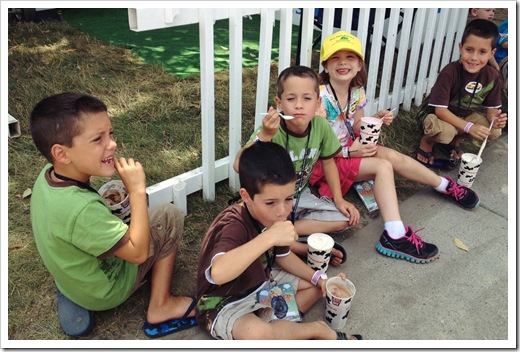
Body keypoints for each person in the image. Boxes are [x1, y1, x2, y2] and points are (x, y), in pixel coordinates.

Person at [29, 92, 197, 338]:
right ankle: (161, 305)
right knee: (168, 215)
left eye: (110, 133)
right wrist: (137, 191)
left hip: (71, 278)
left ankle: (72, 288)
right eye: (98, 139)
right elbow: (138, 254)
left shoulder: (48, 174)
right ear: (62, 153)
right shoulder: (83, 210)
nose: (112, 144)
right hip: (106, 290)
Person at [311, 30, 472, 264]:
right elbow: (317, 146)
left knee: (392, 156)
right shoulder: (319, 98)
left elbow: (355, 124)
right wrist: (350, 151)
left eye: (350, 57)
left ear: (359, 66)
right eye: (335, 58)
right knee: (383, 166)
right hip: (327, 161)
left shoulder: (356, 92)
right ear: (325, 66)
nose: (343, 62)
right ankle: (394, 235)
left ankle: (445, 185)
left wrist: (375, 119)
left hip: (350, 149)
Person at [196, 140, 362, 340]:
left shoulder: (274, 214)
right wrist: (269, 237)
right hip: (224, 301)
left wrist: (318, 278)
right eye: (270, 202)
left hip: (261, 280)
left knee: (319, 287)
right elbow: (219, 273)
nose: (282, 211)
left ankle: (279, 328)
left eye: (289, 199)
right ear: (246, 196)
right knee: (258, 334)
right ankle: (317, 330)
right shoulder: (232, 223)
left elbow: (283, 256)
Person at [233, 65, 361, 266]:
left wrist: (338, 199)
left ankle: (286, 231)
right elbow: (239, 165)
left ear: (318, 103)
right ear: (279, 103)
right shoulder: (270, 130)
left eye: (307, 99)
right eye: (291, 99)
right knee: (244, 222)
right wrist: (264, 136)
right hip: (272, 200)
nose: (299, 105)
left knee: (345, 218)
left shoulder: (320, 127)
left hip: (300, 195)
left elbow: (328, 162)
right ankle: (283, 238)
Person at [415, 19, 507, 166]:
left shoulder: (492, 76)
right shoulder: (450, 71)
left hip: (464, 116)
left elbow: (491, 110)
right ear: (460, 47)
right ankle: (427, 142)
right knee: (445, 132)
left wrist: (494, 120)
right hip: (436, 115)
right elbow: (440, 111)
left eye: (482, 52)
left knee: (495, 130)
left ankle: (456, 141)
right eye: (469, 49)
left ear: (492, 53)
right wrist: (470, 127)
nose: (474, 57)